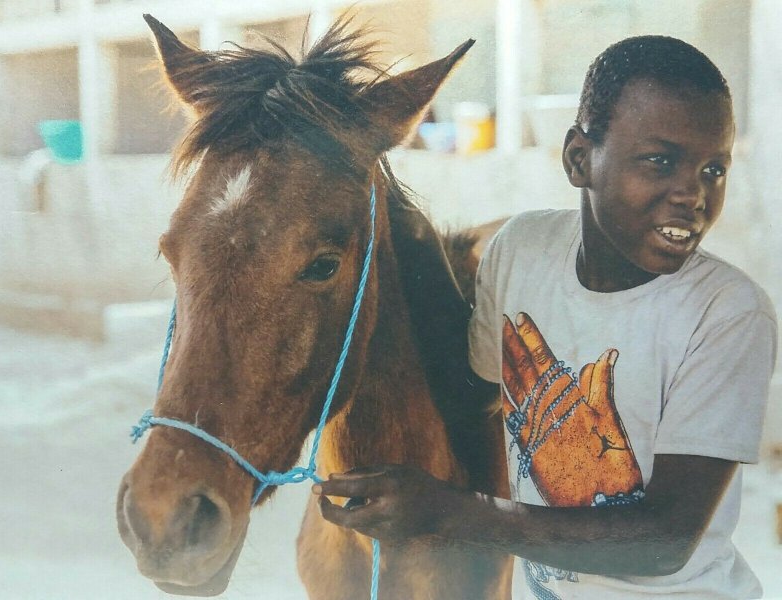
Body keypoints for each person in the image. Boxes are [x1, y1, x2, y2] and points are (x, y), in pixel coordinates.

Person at [313, 35, 778, 599]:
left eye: (714, 169)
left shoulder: (726, 312)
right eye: (661, 161)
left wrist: (446, 512)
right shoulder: (522, 250)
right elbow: (473, 394)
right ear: (578, 159)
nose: (693, 193)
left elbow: (665, 538)